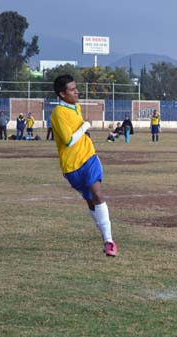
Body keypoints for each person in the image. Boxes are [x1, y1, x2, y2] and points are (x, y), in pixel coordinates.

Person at [51, 74, 117, 257]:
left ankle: (109, 241)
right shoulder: (58, 113)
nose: (77, 91)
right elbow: (69, 140)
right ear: (62, 94)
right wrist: (86, 125)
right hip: (71, 166)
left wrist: (86, 135)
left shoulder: (76, 107)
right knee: (90, 200)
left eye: (75, 87)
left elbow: (79, 135)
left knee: (97, 193)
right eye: (72, 89)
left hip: (89, 158)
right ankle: (104, 234)